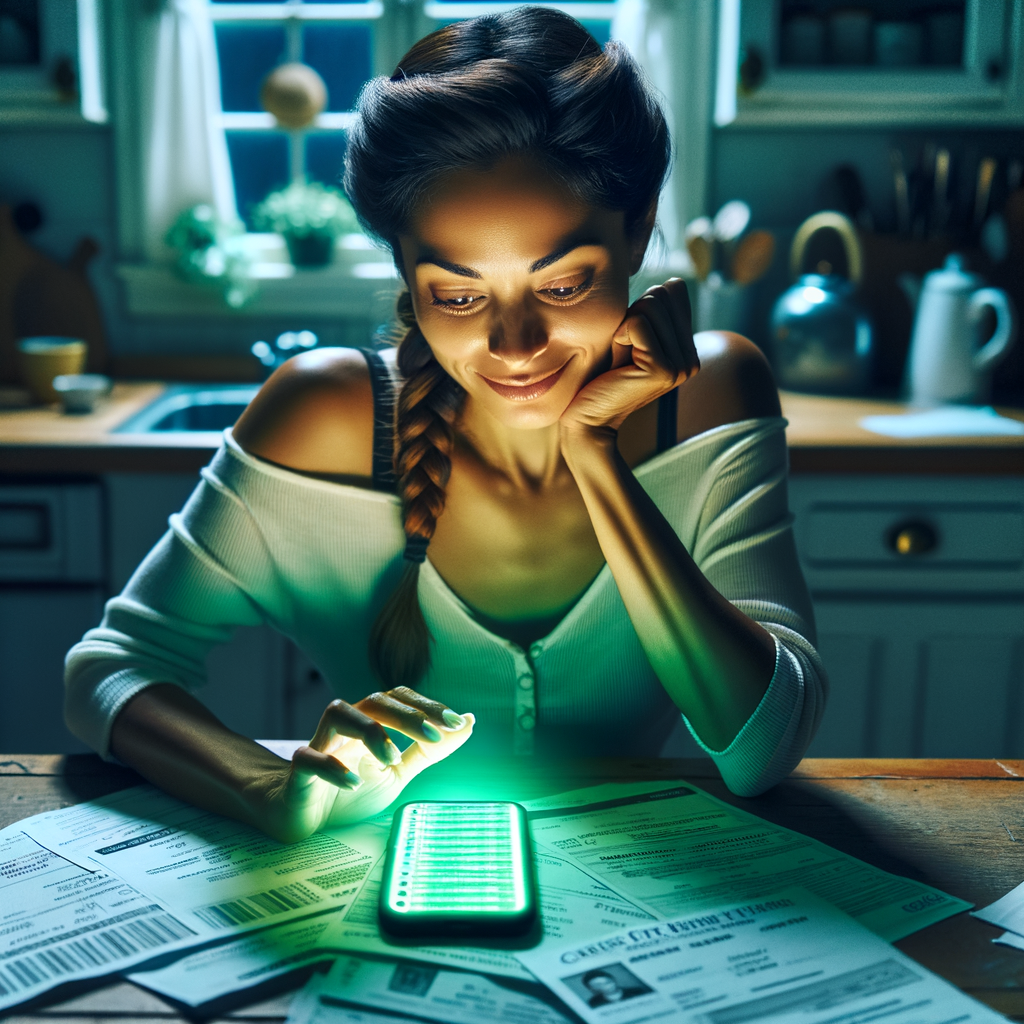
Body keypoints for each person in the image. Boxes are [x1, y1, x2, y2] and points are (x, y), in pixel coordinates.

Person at [65, 8, 825, 843]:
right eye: (459, 297)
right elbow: (108, 669)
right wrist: (269, 788)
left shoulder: (708, 393)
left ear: (639, 230)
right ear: (403, 270)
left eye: (564, 285)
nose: (516, 346)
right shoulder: (322, 418)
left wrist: (595, 455)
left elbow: (762, 749)